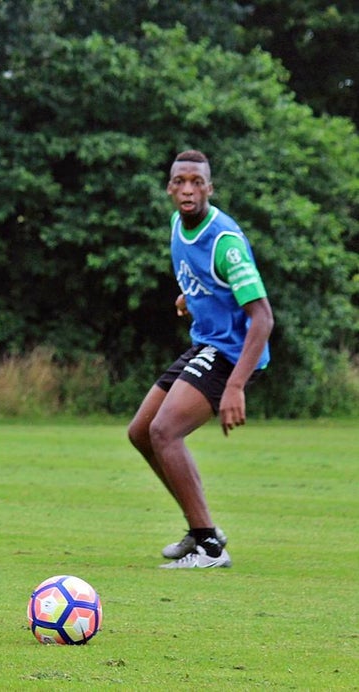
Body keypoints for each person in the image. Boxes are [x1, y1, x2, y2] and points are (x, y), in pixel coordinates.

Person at [127, 149, 274, 569]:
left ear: (209, 188)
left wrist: (235, 386)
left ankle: (210, 546)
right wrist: (190, 297)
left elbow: (262, 317)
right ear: (170, 187)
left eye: (196, 182)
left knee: (165, 431)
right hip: (206, 342)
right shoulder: (178, 224)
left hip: (232, 353)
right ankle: (199, 530)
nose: (188, 189)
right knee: (141, 432)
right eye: (180, 181)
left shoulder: (225, 242)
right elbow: (209, 285)